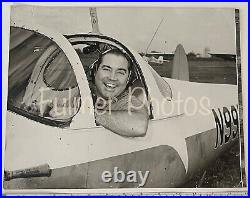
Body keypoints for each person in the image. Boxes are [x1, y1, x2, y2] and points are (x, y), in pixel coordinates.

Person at [91, 48, 149, 137]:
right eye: (107, 69)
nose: (112, 77)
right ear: (95, 71)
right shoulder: (80, 91)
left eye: (120, 72)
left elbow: (140, 126)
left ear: (128, 79)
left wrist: (90, 114)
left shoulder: (127, 101)